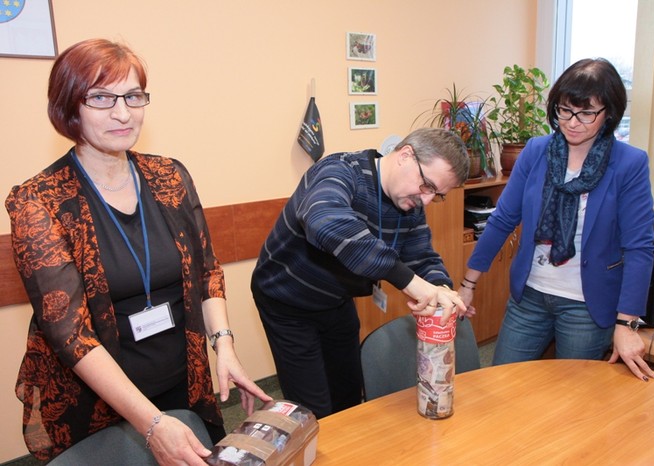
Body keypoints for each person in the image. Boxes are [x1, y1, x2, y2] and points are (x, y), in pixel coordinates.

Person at [5, 38, 271, 464]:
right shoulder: (40, 201)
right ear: (70, 107)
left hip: (182, 378)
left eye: (133, 96)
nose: (123, 112)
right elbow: (68, 333)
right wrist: (151, 423)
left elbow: (207, 272)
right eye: (102, 98)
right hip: (97, 399)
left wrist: (224, 346)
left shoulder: (169, 175)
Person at [458, 58, 654, 382]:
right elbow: (503, 219)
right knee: (500, 386)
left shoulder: (628, 163)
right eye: (565, 110)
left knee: (571, 401)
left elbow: (639, 247)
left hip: (587, 305)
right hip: (530, 295)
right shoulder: (537, 151)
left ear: (609, 112)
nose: (573, 122)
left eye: (586, 113)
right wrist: (468, 284)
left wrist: (626, 323)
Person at [251, 128, 472, 418]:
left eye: (437, 194)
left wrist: (440, 287)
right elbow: (324, 221)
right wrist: (409, 283)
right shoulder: (341, 170)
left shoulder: (411, 202)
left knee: (348, 397)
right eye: (427, 185)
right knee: (314, 410)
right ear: (406, 155)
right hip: (287, 300)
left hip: (337, 298)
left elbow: (421, 256)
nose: (427, 200)